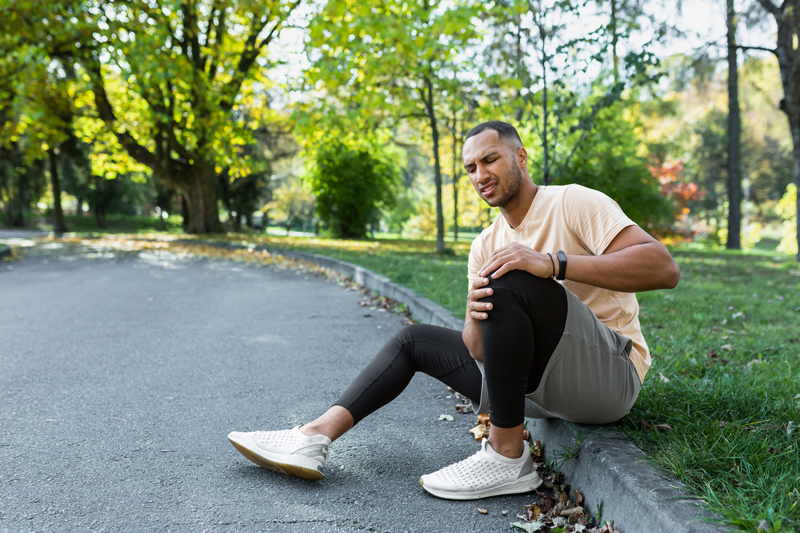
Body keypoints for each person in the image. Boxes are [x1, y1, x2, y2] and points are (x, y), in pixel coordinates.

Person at [228, 121, 680, 501]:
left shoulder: (572, 202)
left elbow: (663, 268)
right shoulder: (485, 243)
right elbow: (477, 349)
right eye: (470, 168)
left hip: (609, 376)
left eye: (490, 160)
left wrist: (551, 263)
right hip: (542, 386)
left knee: (511, 275)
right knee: (415, 340)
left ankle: (507, 457)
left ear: (520, 157)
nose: (480, 174)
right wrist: (474, 312)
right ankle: (313, 438)